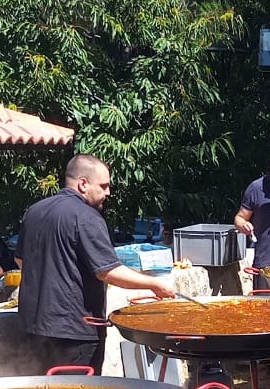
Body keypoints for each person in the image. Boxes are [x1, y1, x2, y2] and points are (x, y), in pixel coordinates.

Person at [14, 154, 176, 373]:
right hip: (74, 333)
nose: (108, 192)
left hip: (32, 327)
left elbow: (20, 260)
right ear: (83, 184)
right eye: (104, 186)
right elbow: (108, 271)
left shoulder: (34, 211)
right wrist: (155, 285)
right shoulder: (86, 217)